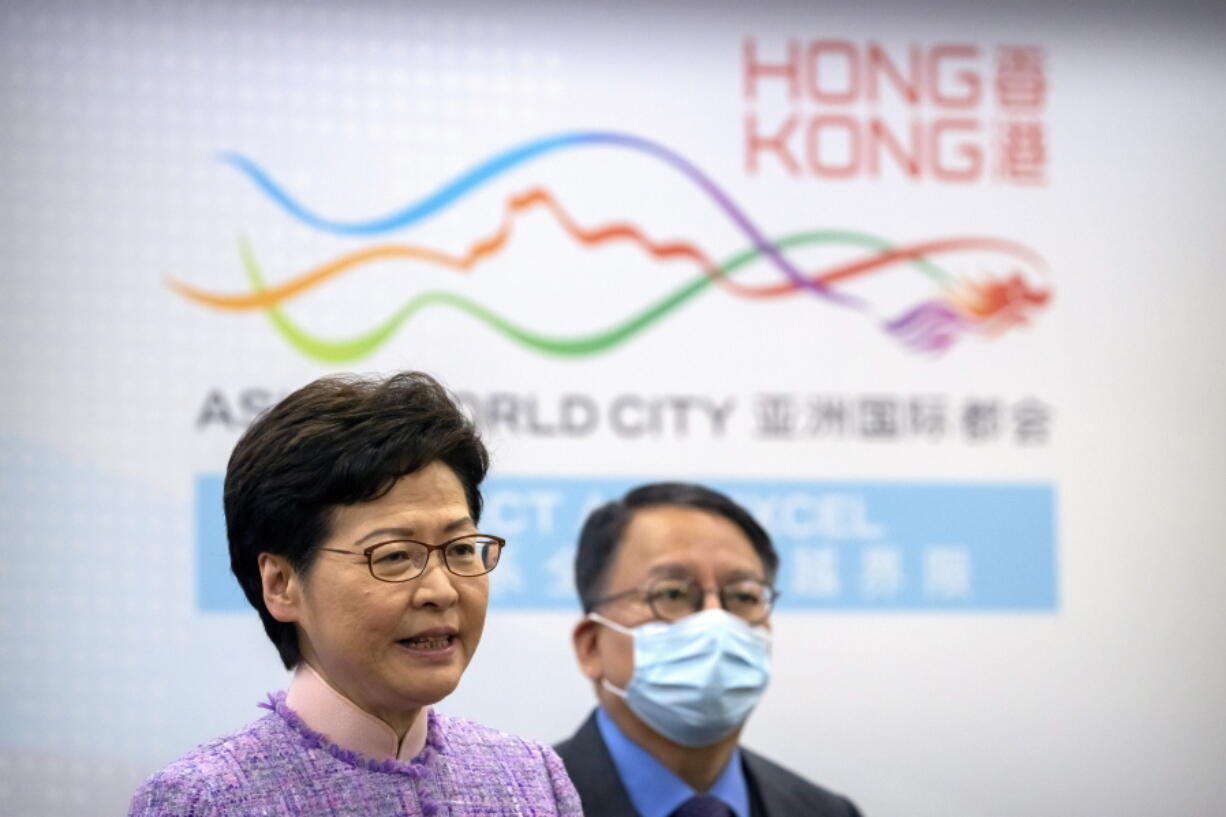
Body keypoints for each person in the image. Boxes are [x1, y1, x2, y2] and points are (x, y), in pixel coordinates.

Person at [129, 372, 581, 817]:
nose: (441, 591)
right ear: (281, 585)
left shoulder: (531, 778)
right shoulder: (204, 801)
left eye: (460, 548)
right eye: (395, 556)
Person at [555, 482, 861, 817]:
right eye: (672, 594)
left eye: (743, 596)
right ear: (591, 646)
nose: (715, 621)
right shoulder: (521, 805)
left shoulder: (826, 811)